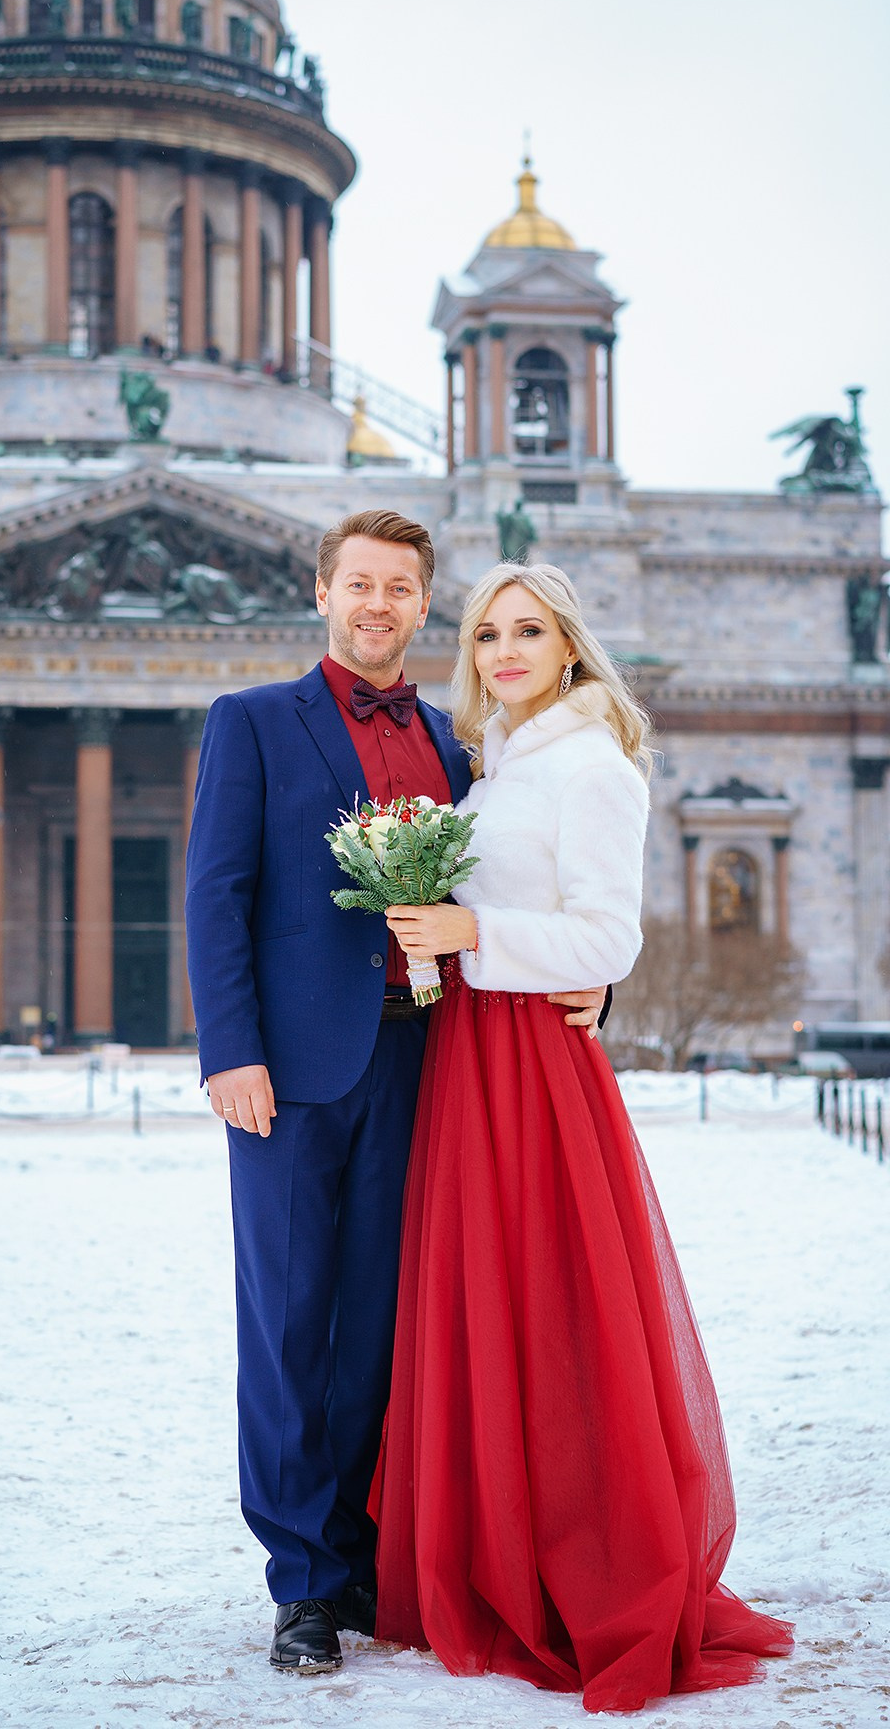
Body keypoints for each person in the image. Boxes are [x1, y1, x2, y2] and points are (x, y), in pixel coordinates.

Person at [184, 514, 606, 1675]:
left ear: (424, 607)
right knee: (287, 1326)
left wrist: (593, 979)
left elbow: (528, 880)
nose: (378, 604)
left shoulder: (460, 745)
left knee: (386, 1325)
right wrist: (231, 1052)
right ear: (322, 592)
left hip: (430, 1068)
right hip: (290, 1078)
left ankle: (371, 1551)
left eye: (401, 589)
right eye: (358, 583)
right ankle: (304, 1583)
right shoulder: (255, 723)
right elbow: (215, 895)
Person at [372, 562, 794, 1712]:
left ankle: (575, 1563)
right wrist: (431, 943)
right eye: (488, 633)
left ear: (569, 649)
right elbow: (502, 918)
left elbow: (607, 939)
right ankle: (488, 1553)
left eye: (530, 631)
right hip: (472, 1056)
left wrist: (470, 930)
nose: (505, 650)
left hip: (532, 1074)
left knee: (553, 1309)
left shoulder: (594, 765)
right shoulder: (499, 766)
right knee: (482, 1301)